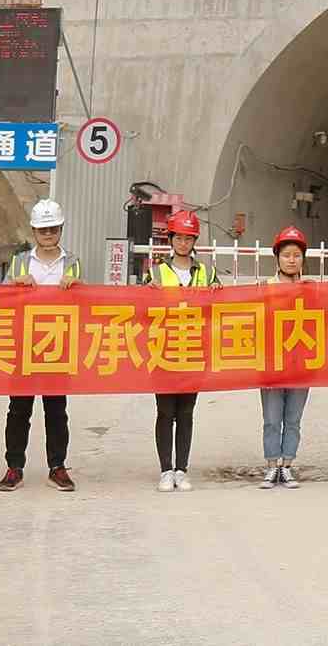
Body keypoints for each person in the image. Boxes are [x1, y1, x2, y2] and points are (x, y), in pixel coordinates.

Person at [0, 198, 79, 494]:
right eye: (43, 230)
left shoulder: (72, 262)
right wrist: (14, 285)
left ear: (60, 229)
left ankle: (57, 467)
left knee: (56, 410)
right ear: (34, 231)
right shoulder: (21, 261)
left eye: (53, 229)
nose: (48, 234)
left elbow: (86, 299)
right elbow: (1, 298)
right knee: (19, 409)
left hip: (58, 344)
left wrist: (76, 286)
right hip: (24, 343)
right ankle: (14, 467)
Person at [150, 207, 217, 492]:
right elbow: (139, 310)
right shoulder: (156, 272)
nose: (183, 243)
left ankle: (182, 468)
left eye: (189, 238)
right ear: (171, 239)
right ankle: (165, 469)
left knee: (186, 412)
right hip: (163, 350)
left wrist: (217, 291)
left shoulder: (207, 272)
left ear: (194, 241)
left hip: (193, 350)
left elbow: (223, 307)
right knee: (165, 412)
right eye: (179, 237)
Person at [260, 225, 314, 489]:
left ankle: (288, 465)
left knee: (293, 419)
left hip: (301, 364)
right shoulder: (264, 288)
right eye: (286, 255)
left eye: (296, 254)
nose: (292, 260)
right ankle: (272, 465)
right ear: (277, 258)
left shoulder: (311, 289)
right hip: (272, 364)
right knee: (272, 419)